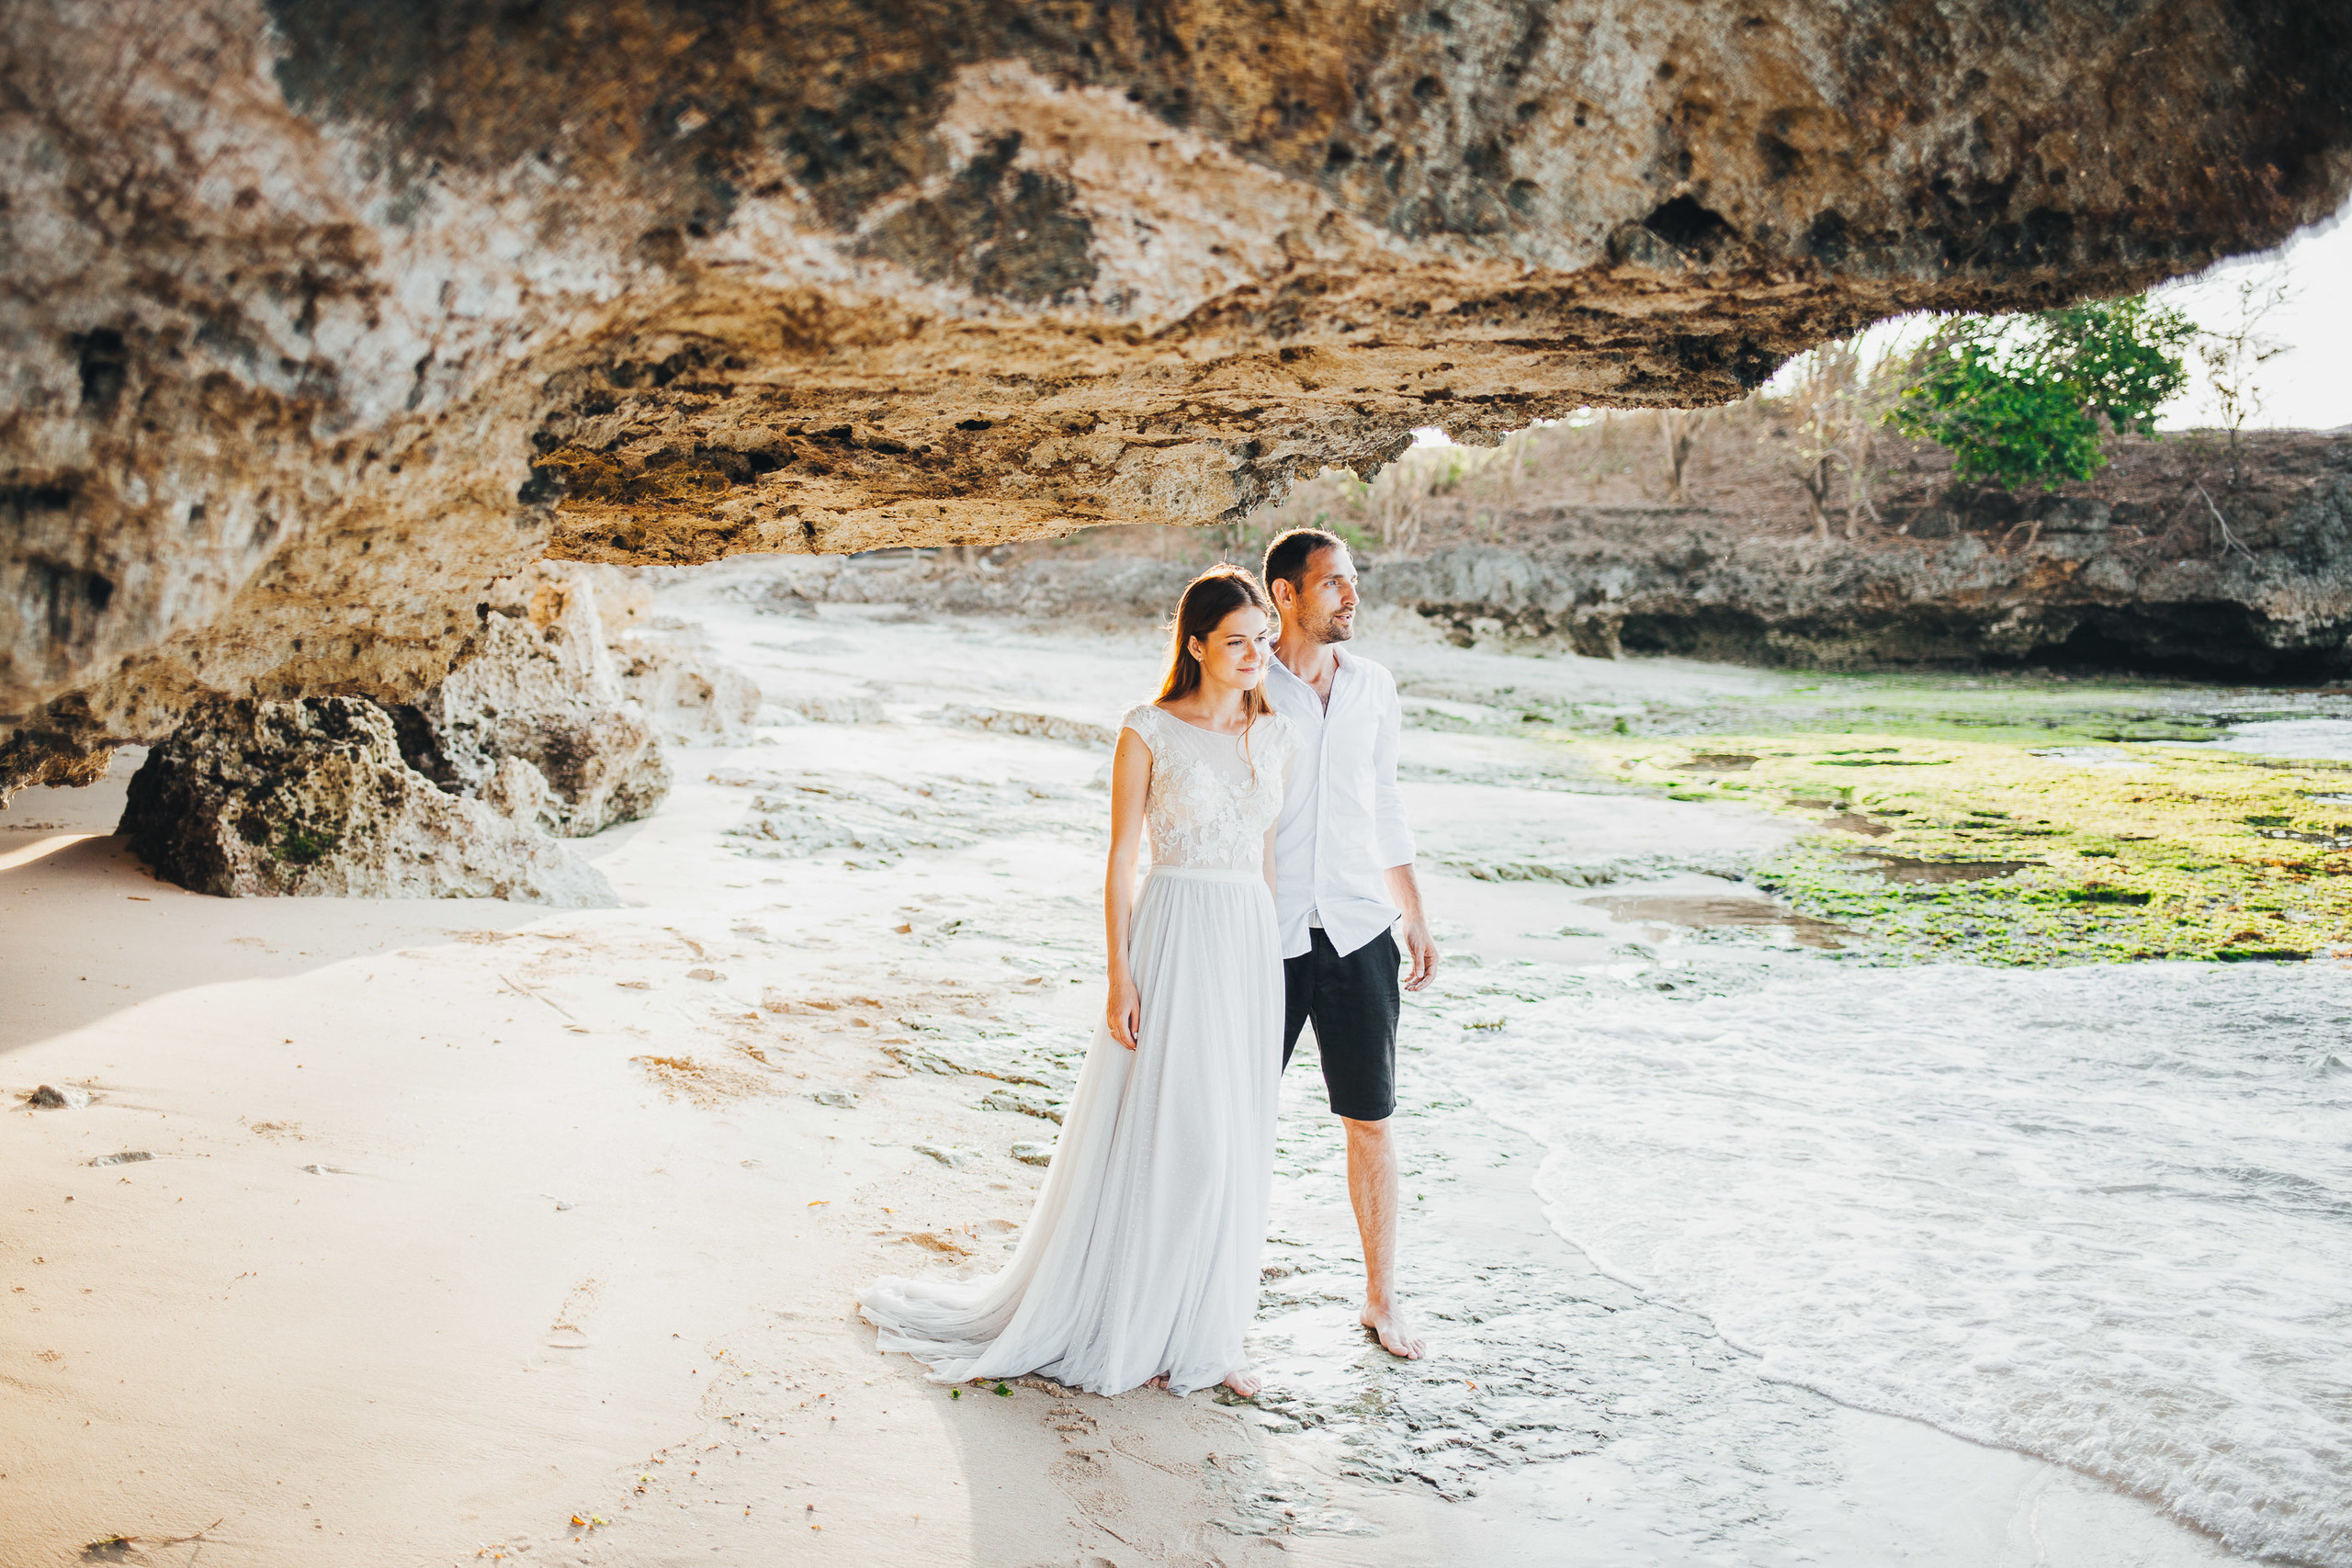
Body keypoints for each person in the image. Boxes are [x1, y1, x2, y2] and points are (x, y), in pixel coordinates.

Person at [857, 566, 1300, 1397]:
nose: (1253, 657)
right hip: (1173, 933)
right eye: (1237, 642)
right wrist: (1119, 974)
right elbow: (1123, 858)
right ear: (1196, 644)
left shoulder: (1275, 734)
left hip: (1245, 946)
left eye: (1263, 642)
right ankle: (1127, 1318)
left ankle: (1205, 1335)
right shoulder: (1148, 730)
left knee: (1234, 1145)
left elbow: (1268, 856)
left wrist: (1272, 966)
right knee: (1180, 1139)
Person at [1259, 527, 1438, 1361]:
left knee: (1370, 1118)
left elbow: (1387, 799)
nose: (1350, 596)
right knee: (1241, 1118)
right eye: (1333, 583)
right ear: (1285, 595)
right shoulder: (1251, 685)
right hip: (1269, 932)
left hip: (1363, 928)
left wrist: (1415, 911)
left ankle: (1380, 1298)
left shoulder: (1374, 686)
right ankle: (1216, 1303)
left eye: (1353, 581)